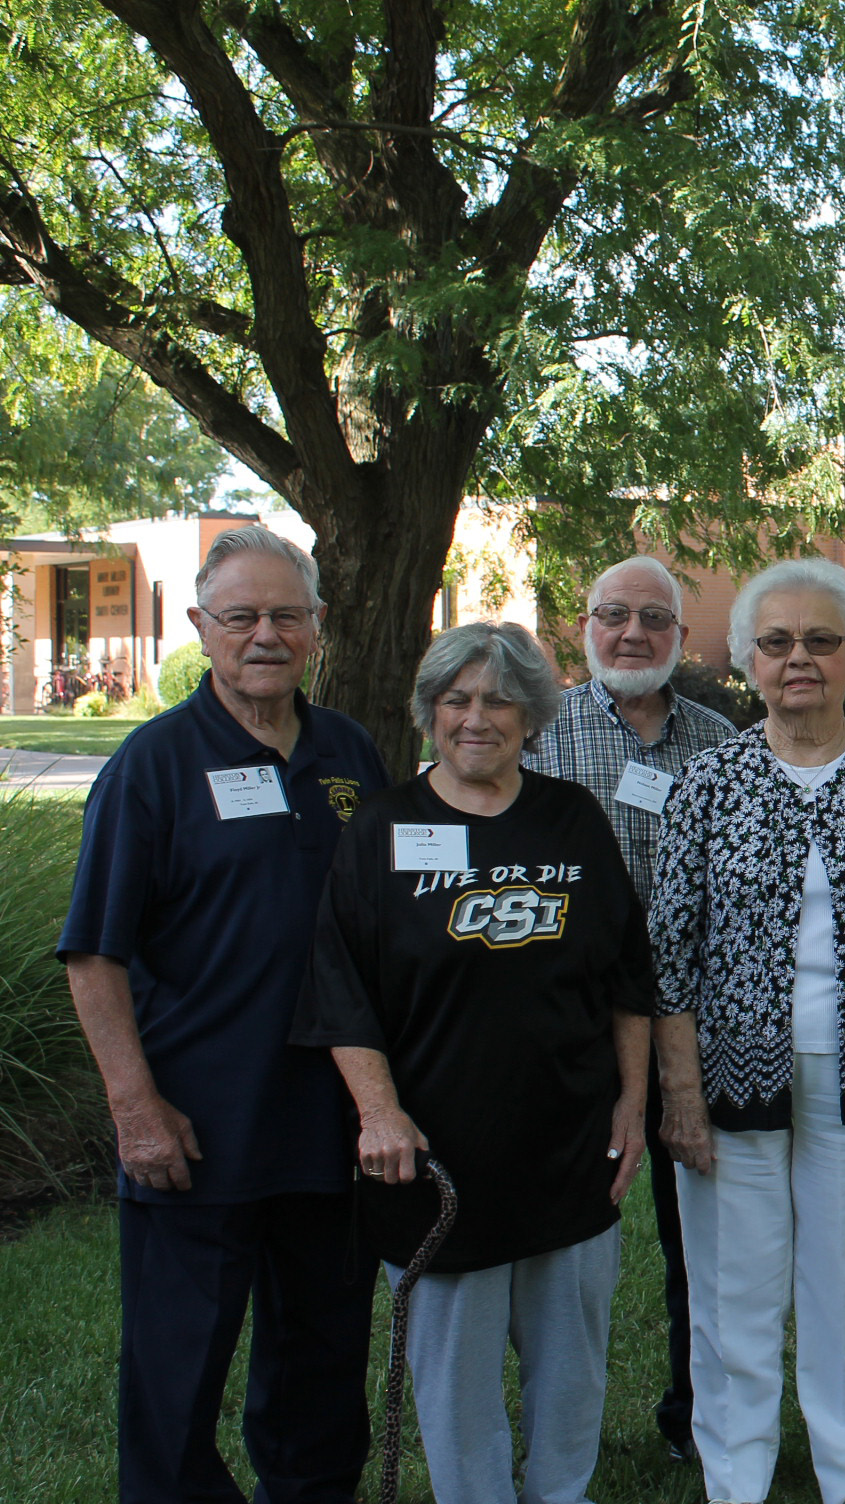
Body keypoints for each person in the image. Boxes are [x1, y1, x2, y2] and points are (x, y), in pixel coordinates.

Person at [59, 526, 388, 1504]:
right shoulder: (152, 766)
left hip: (328, 1133)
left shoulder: (350, 753)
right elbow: (93, 954)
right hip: (197, 1130)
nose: (265, 635)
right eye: (240, 616)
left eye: (287, 615)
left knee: (322, 1377)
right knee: (175, 1378)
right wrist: (135, 1109)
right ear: (201, 627)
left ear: (318, 629)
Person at [293, 622, 651, 1504]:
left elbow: (626, 980)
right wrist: (378, 1113)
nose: (476, 718)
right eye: (456, 700)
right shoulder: (381, 827)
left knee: (571, 1369)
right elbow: (342, 989)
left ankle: (559, 1493)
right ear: (430, 714)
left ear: (532, 714)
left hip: (569, 1149)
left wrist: (631, 1106)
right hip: (434, 1159)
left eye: (498, 699)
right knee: (453, 1383)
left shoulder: (571, 818)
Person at [650, 557, 845, 1504]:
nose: (799, 660)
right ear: (748, 659)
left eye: (821, 641)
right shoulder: (706, 784)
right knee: (733, 1297)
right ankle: (735, 1483)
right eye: (778, 642)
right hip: (729, 1077)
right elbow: (669, 957)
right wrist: (682, 1098)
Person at [523, 553, 736, 1465]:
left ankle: (697, 1414)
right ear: (585, 626)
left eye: (655, 619)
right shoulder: (538, 732)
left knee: (705, 1236)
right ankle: (556, 1425)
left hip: (702, 1026)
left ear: (681, 638)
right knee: (562, 1234)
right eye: (615, 615)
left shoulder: (725, 742)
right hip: (574, 1025)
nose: (633, 634)